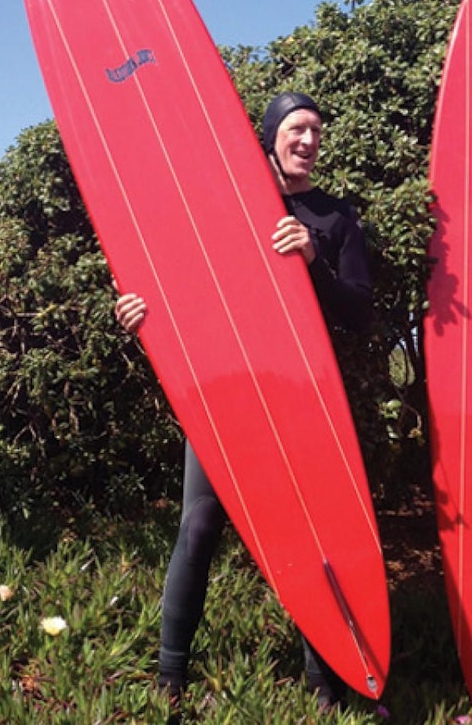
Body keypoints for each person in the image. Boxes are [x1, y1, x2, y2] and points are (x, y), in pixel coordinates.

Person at [114, 91, 373, 711]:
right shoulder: (223, 205)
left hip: (303, 394)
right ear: (270, 136)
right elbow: (184, 285)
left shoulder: (336, 218)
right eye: (296, 128)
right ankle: (169, 681)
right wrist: (140, 314)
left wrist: (312, 259)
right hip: (227, 390)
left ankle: (325, 687)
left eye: (316, 130)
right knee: (200, 523)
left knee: (310, 534)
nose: (308, 140)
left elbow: (360, 312)